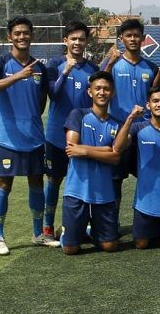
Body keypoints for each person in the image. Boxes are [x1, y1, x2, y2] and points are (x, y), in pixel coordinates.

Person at [0, 16, 59, 254]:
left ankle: (38, 234)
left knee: (36, 184)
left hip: (35, 138)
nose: (22, 36)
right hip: (8, 139)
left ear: (31, 36)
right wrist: (17, 76)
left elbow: (42, 98)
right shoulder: (0, 63)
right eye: (17, 33)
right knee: (4, 184)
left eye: (26, 33)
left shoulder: (40, 67)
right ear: (10, 37)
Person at [43, 21, 99, 239]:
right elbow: (53, 94)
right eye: (73, 38)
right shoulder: (54, 64)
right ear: (65, 40)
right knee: (54, 180)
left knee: (83, 181)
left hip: (83, 137)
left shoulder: (92, 69)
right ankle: (48, 227)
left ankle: (81, 226)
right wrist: (65, 71)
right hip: (56, 135)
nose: (77, 42)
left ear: (86, 42)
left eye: (81, 39)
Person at [113, 87, 160, 249]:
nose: (159, 104)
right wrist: (130, 118)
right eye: (155, 101)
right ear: (148, 105)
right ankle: (155, 227)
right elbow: (117, 148)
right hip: (145, 199)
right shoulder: (138, 128)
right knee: (140, 244)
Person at [103, 18, 159, 226]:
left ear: (143, 39)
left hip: (145, 130)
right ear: (121, 39)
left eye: (137, 35)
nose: (133, 39)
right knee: (114, 179)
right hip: (118, 129)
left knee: (150, 176)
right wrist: (109, 62)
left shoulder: (151, 67)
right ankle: (111, 224)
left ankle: (151, 221)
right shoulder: (114, 65)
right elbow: (98, 84)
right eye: (129, 35)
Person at [60, 71, 121, 255]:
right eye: (98, 89)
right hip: (76, 190)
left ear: (113, 93)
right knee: (70, 250)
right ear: (90, 92)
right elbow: (72, 150)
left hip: (103, 192)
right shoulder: (78, 114)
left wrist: (85, 150)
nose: (102, 92)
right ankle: (69, 233)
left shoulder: (117, 124)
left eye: (106, 89)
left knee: (110, 247)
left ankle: (92, 229)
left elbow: (116, 157)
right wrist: (105, 151)